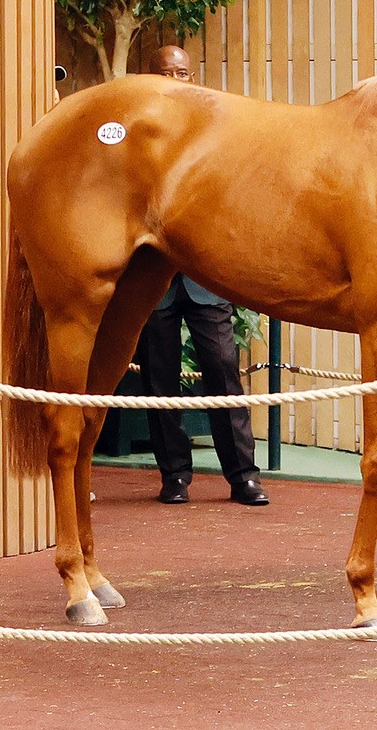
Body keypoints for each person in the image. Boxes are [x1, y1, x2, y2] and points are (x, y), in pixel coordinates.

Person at [133, 44, 269, 507]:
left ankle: (243, 477)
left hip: (206, 277)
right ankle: (174, 477)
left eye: (185, 73)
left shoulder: (215, 127)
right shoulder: (139, 134)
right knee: (158, 382)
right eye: (169, 73)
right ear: (151, 77)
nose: (179, 81)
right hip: (154, 281)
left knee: (224, 371)